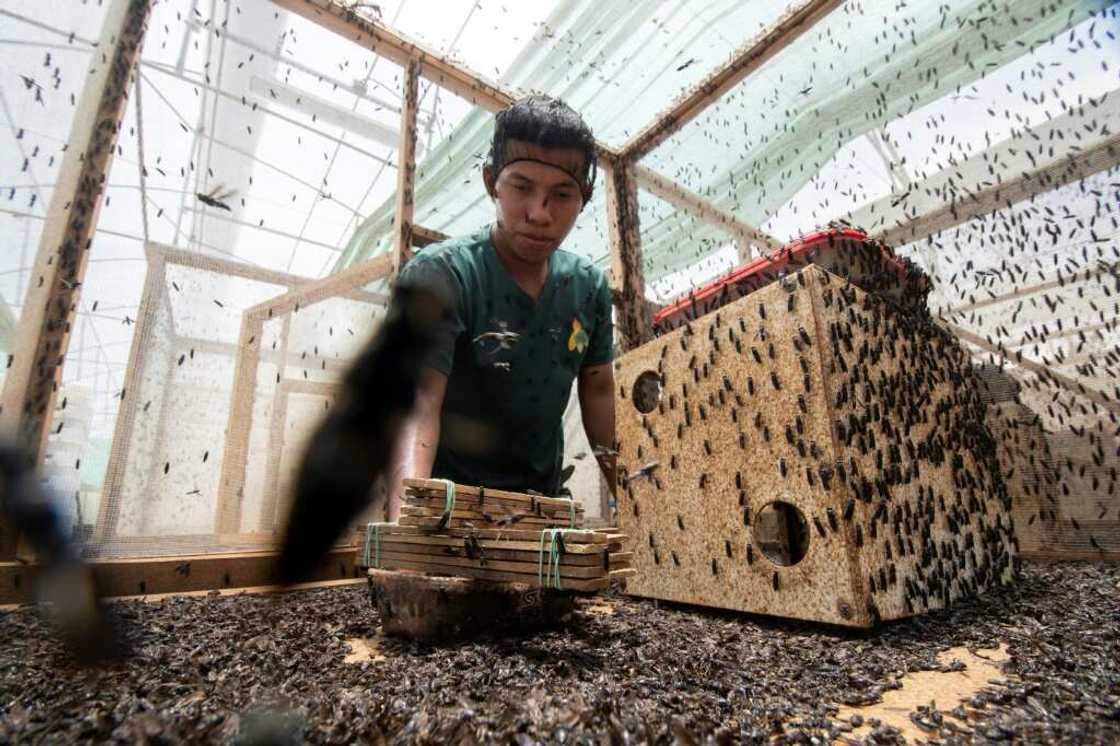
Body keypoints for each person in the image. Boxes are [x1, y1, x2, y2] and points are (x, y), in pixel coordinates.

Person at [383, 94, 616, 520]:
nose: (539, 213)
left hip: (541, 513)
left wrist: (639, 501)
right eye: (522, 187)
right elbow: (417, 404)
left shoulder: (589, 288)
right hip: (449, 513)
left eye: (562, 194)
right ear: (492, 180)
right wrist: (410, 514)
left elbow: (600, 393)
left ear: (584, 198)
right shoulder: (440, 275)